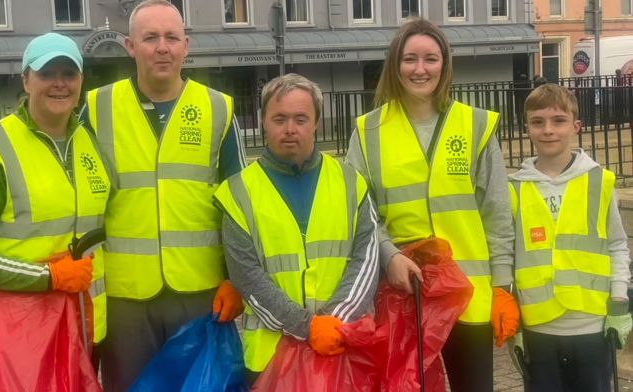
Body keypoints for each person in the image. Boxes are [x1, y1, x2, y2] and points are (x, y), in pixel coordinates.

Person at [344, 19, 518, 392]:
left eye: (430, 59)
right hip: (404, 293)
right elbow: (358, 212)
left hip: (467, 295)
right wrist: (389, 256)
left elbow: (497, 213)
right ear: (395, 65)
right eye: (410, 59)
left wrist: (503, 285)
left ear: (445, 64)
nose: (420, 69)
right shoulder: (368, 130)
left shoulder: (474, 126)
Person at [81, 1, 247, 390]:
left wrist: (236, 280)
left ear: (186, 45)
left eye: (171, 37)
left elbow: (241, 207)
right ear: (129, 46)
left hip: (200, 292)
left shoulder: (218, 109)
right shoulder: (96, 107)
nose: (162, 47)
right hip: (125, 298)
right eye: (150, 37)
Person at [0, 32, 109, 364]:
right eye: (46, 74)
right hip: (14, 333)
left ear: (81, 81)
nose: (59, 84)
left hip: (83, 328)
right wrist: (50, 277)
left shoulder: (90, 142)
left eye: (69, 74)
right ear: (26, 81)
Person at [214, 73, 379, 385]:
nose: (290, 129)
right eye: (280, 118)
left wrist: (334, 322)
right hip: (269, 359)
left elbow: (367, 262)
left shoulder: (350, 183)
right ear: (264, 121)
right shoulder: (237, 192)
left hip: (341, 347)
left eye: (301, 118)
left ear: (316, 122)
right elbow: (246, 276)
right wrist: (308, 327)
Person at [508, 84, 632, 392]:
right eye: (538, 122)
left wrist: (620, 299)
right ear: (527, 128)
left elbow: (617, 244)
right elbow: (507, 253)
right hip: (538, 326)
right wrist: (510, 313)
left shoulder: (598, 181)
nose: (548, 130)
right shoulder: (514, 188)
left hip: (591, 324)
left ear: (576, 126)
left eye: (558, 120)